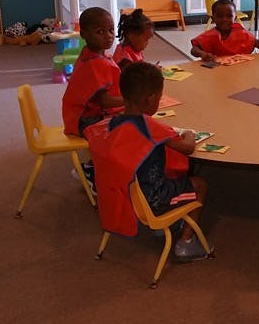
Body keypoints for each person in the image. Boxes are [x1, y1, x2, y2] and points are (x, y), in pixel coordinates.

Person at [85, 62, 209, 263]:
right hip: (152, 199)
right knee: (200, 184)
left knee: (166, 169)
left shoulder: (112, 123)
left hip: (123, 195)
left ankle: (165, 227)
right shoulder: (150, 127)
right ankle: (186, 243)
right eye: (159, 98)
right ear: (150, 99)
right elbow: (187, 148)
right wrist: (189, 134)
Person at [62, 7, 123, 138]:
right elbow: (105, 102)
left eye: (111, 30)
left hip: (76, 116)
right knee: (132, 126)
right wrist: (132, 100)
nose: (109, 36)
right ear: (84, 34)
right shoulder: (95, 63)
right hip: (84, 121)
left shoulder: (91, 53)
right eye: (100, 32)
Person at [190, 0, 259, 61]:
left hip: (241, 69)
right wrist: (202, 54)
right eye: (220, 16)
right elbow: (194, 50)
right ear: (213, 18)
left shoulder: (240, 32)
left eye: (229, 16)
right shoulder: (210, 35)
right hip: (218, 71)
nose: (224, 19)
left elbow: (257, 43)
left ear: (235, 18)